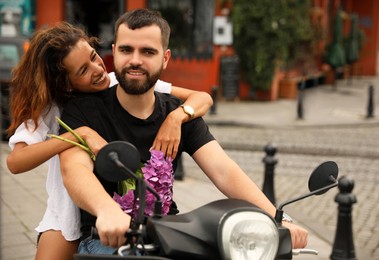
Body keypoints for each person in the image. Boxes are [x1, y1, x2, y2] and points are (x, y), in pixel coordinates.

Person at [58, 8, 308, 255]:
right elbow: (75, 170)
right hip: (106, 240)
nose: (135, 60)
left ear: (165, 58)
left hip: (168, 234)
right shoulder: (84, 110)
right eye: (126, 50)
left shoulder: (178, 112)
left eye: (148, 51)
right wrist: (106, 210)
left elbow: (223, 170)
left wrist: (277, 217)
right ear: (114, 52)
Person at [6, 21, 213, 260]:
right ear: (64, 83)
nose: (97, 69)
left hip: (117, 212)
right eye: (83, 70)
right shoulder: (52, 109)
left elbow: (202, 98)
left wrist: (176, 117)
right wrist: (80, 134)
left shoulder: (120, 81)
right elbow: (16, 162)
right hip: (67, 212)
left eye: (94, 57)